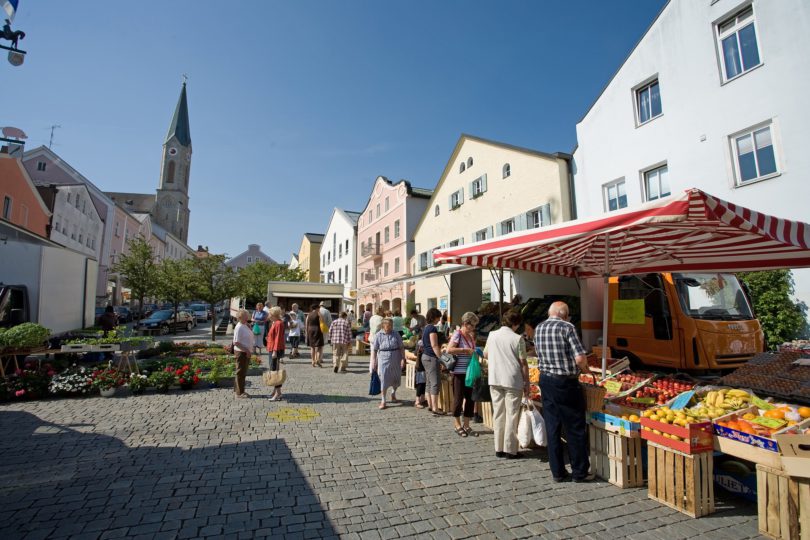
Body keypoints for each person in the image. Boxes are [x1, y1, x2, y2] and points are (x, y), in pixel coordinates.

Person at [535, 301, 592, 482]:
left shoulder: (539, 328)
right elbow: (580, 358)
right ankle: (579, 472)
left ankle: (558, 472)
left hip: (545, 380)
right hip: (565, 383)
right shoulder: (567, 327)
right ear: (565, 315)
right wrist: (586, 370)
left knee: (552, 427)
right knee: (575, 427)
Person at [483, 310, 529, 459]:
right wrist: (527, 382)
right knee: (512, 414)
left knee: (498, 413)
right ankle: (510, 449)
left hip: (495, 378)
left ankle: (498, 448)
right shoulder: (517, 339)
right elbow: (523, 363)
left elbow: (485, 354)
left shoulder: (492, 335)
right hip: (512, 380)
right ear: (515, 324)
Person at [447, 311, 480, 437]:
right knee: (458, 399)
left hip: (469, 373)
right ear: (466, 324)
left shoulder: (470, 337)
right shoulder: (458, 335)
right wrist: (465, 350)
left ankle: (467, 425)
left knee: (470, 399)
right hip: (459, 373)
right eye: (473, 325)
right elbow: (449, 349)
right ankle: (457, 424)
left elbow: (473, 351)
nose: (474, 328)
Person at [370, 317, 405, 409]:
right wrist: (374, 361)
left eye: (391, 325)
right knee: (384, 379)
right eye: (388, 325)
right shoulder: (378, 335)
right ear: (383, 325)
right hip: (383, 358)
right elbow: (374, 350)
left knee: (396, 378)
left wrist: (403, 359)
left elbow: (401, 347)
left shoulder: (396, 333)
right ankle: (383, 400)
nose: (390, 327)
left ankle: (393, 394)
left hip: (396, 357)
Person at [420, 308, 444, 416]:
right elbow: (434, 345)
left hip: (425, 356)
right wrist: (441, 358)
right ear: (434, 317)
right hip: (431, 357)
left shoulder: (425, 328)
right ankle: (435, 408)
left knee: (429, 382)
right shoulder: (432, 329)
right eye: (438, 317)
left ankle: (430, 405)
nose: (439, 319)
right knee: (435, 382)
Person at [232, 309, 253, 399]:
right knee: (240, 372)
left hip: (245, 352)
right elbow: (236, 342)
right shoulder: (239, 327)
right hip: (241, 352)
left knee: (242, 372)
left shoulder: (244, 325)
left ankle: (239, 390)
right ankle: (239, 393)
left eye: (247, 315)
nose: (247, 317)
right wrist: (247, 350)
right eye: (245, 316)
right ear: (240, 317)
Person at [266, 306, 286, 401]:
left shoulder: (278, 323)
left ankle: (278, 394)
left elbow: (278, 338)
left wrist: (274, 351)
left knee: (275, 371)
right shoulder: (275, 323)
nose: (268, 315)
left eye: (270, 313)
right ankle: (276, 392)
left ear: (274, 314)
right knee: (274, 370)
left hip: (275, 349)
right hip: (273, 348)